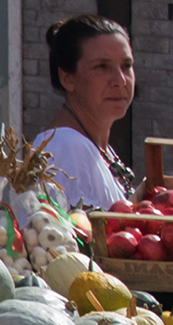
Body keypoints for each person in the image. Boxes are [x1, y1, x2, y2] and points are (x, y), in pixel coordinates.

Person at [34, 14, 137, 210]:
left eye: (126, 66)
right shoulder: (65, 148)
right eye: (102, 67)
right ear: (67, 79)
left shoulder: (91, 145)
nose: (120, 80)